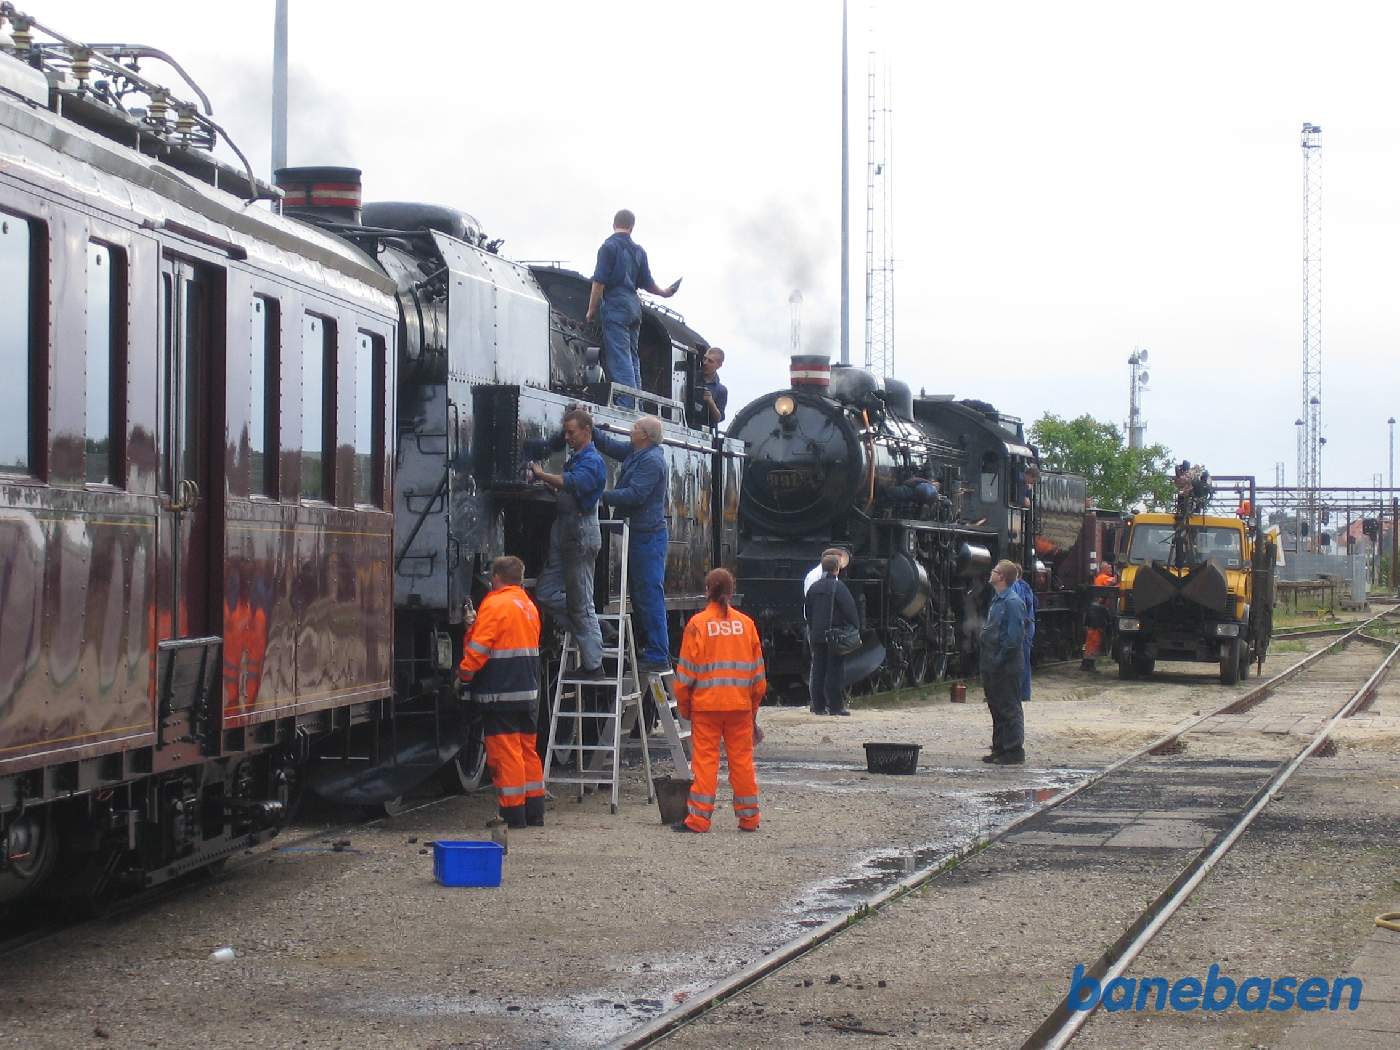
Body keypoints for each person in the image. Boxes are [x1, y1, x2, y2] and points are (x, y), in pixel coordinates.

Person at [671, 569, 766, 833]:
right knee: (742, 763)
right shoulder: (746, 625)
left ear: (707, 590)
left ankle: (699, 820)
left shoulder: (698, 625)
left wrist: (685, 707)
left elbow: (685, 675)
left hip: (707, 707)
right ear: (731, 592)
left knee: (705, 761)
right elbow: (758, 678)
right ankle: (750, 819)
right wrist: (752, 711)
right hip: (740, 708)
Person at [459, 556, 546, 828]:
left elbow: (480, 648)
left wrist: (464, 674)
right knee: (527, 751)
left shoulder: (495, 604)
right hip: (527, 692)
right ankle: (534, 812)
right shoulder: (528, 605)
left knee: (506, 753)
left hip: (501, 692)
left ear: (496, 577)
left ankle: (512, 815)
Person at [528, 408, 607, 678]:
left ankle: (593, 665)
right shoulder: (576, 458)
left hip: (580, 532)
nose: (567, 437)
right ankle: (591, 626)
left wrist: (541, 474)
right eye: (566, 432)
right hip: (565, 530)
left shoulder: (593, 461)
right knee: (546, 592)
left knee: (580, 600)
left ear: (586, 431)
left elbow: (573, 483)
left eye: (571, 432)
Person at [595, 415, 671, 671]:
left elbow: (636, 495)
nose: (631, 429)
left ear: (645, 436)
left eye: (636, 427)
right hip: (639, 533)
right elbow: (611, 446)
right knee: (640, 595)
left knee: (649, 594)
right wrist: (590, 427)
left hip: (647, 535)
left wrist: (599, 495)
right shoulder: (638, 451)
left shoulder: (651, 461)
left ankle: (658, 655)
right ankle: (651, 650)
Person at [585, 209, 681, 407]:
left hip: (616, 303)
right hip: (634, 306)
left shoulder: (608, 247)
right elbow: (648, 283)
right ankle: (637, 400)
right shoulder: (639, 251)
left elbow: (599, 282)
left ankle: (627, 401)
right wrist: (665, 292)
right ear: (632, 226)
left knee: (619, 355)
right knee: (632, 356)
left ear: (614, 224)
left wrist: (591, 310)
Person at [980, 559, 1026, 765]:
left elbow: (1014, 638)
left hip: (1006, 665)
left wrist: (998, 659)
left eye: (995, 570)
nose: (991, 572)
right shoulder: (998, 600)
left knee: (1009, 707)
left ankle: (1014, 750)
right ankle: (999, 748)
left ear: (1002, 577)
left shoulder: (1012, 602)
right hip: (992, 664)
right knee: (996, 707)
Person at [804, 551, 860, 716]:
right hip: (835, 634)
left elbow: (808, 610)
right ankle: (835, 706)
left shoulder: (814, 587)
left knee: (818, 669)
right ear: (837, 569)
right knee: (834, 670)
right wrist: (855, 627)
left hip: (817, 633)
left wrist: (814, 627)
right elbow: (850, 610)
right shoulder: (839, 587)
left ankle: (819, 706)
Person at [1080, 562, 1117, 672]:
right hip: (1097, 611)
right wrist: (1120, 573)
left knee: (1093, 638)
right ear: (1103, 569)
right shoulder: (1103, 578)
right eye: (1109, 568)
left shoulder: (1101, 578)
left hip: (1096, 611)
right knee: (1094, 638)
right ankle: (1088, 663)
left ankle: (1088, 662)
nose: (1111, 569)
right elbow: (1114, 581)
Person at [1010, 567, 1037, 701]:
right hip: (1028, 624)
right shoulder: (1026, 586)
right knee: (1024, 660)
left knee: (1019, 660)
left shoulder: (1016, 586)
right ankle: (1024, 694)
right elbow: (1034, 603)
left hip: (1022, 627)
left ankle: (1018, 693)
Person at [699, 346, 728, 425]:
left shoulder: (721, 390)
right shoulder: (690, 378)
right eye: (705, 359)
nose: (705, 363)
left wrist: (710, 401)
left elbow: (718, 418)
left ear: (719, 365)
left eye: (710, 361)